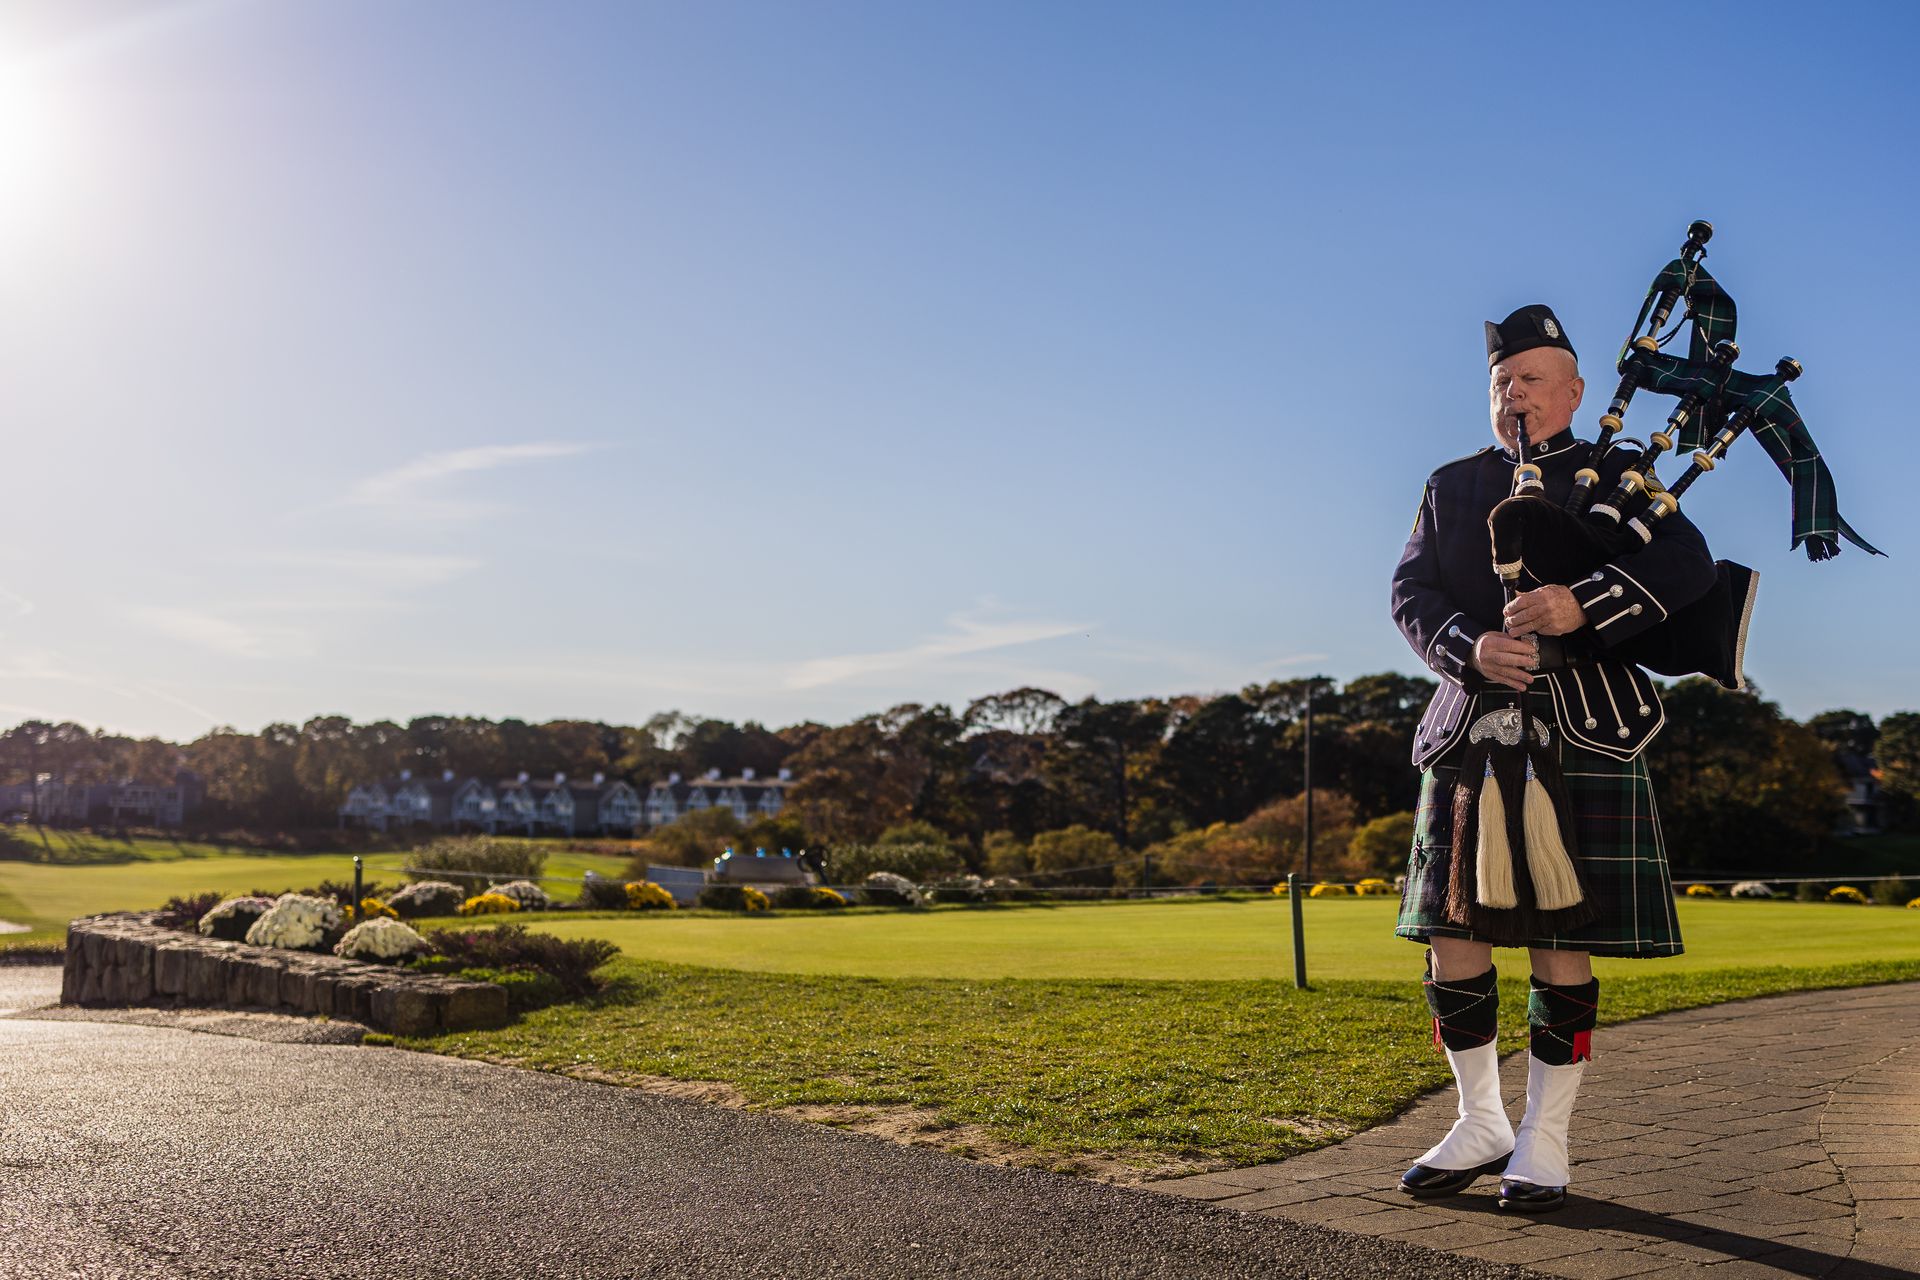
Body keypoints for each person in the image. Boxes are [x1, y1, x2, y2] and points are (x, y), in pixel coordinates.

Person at [1388, 304, 1717, 1212]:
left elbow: (1689, 563)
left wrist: (1586, 604)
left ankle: (1547, 1136)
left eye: (1532, 380)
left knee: (1559, 939)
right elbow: (1411, 592)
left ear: (1573, 392)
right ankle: (1481, 1120)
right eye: (1502, 382)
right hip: (1470, 723)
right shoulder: (1452, 484)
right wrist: (1470, 648)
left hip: (1585, 725)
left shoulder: (1624, 477)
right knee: (1452, 933)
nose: (1515, 395)